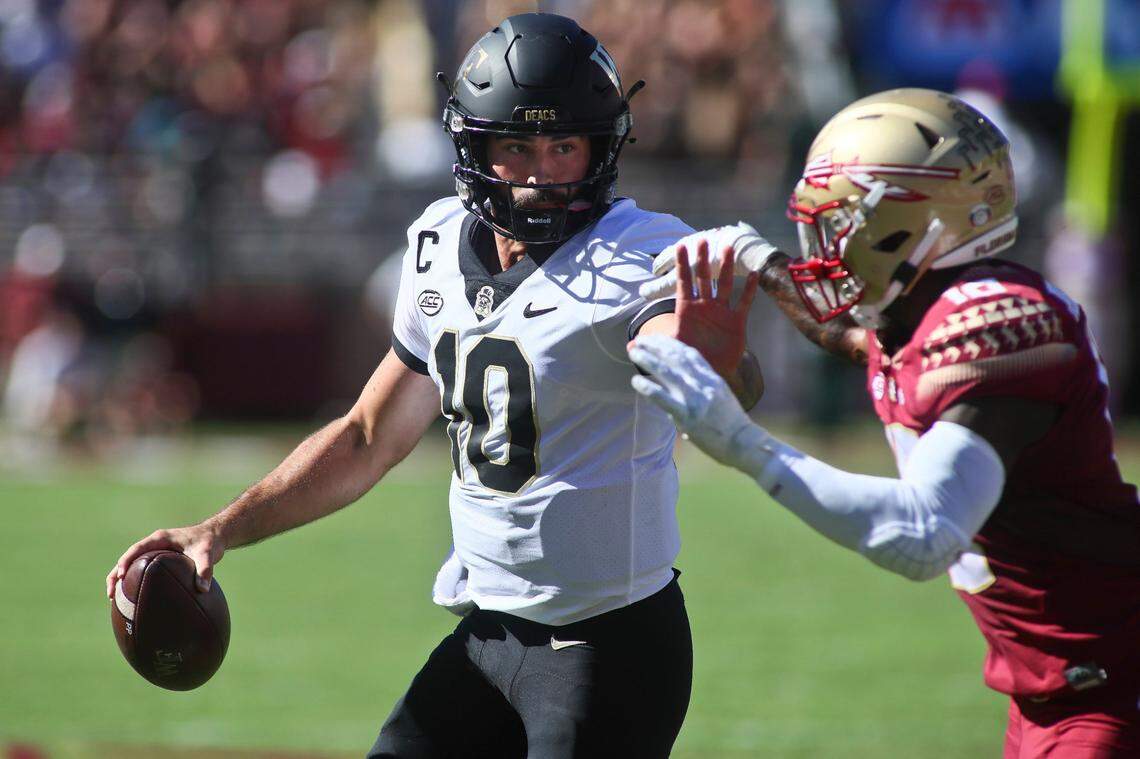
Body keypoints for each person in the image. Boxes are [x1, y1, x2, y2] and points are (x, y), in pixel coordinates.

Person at [106, 13, 761, 758]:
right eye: (517, 145)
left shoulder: (640, 253)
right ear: (475, 145)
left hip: (609, 648)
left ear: (600, 147)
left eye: (564, 145)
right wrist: (218, 530)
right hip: (487, 636)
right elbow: (365, 436)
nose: (543, 171)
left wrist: (714, 356)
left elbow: (705, 371)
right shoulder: (439, 245)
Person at [630, 88, 1140, 757]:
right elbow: (855, 340)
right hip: (1059, 685)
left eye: (839, 221)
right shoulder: (926, 312)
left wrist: (742, 443)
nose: (824, 242)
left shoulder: (998, 327)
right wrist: (762, 262)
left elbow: (924, 532)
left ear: (916, 222)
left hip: (1112, 685)